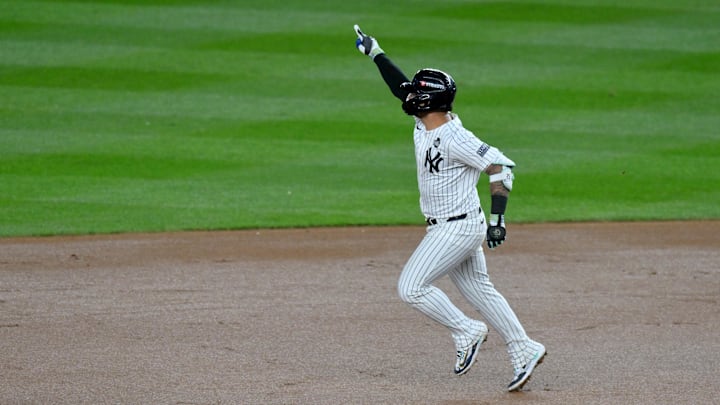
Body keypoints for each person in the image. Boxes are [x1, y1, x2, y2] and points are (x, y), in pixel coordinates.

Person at [353, 25, 546, 392]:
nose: (408, 96)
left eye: (416, 94)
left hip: (456, 229)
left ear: (428, 102)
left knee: (410, 287)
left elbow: (501, 168)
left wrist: (498, 220)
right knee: (481, 292)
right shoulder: (423, 122)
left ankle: (467, 331)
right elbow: (401, 86)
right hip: (451, 224)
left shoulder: (455, 137)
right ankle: (524, 348)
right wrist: (375, 51)